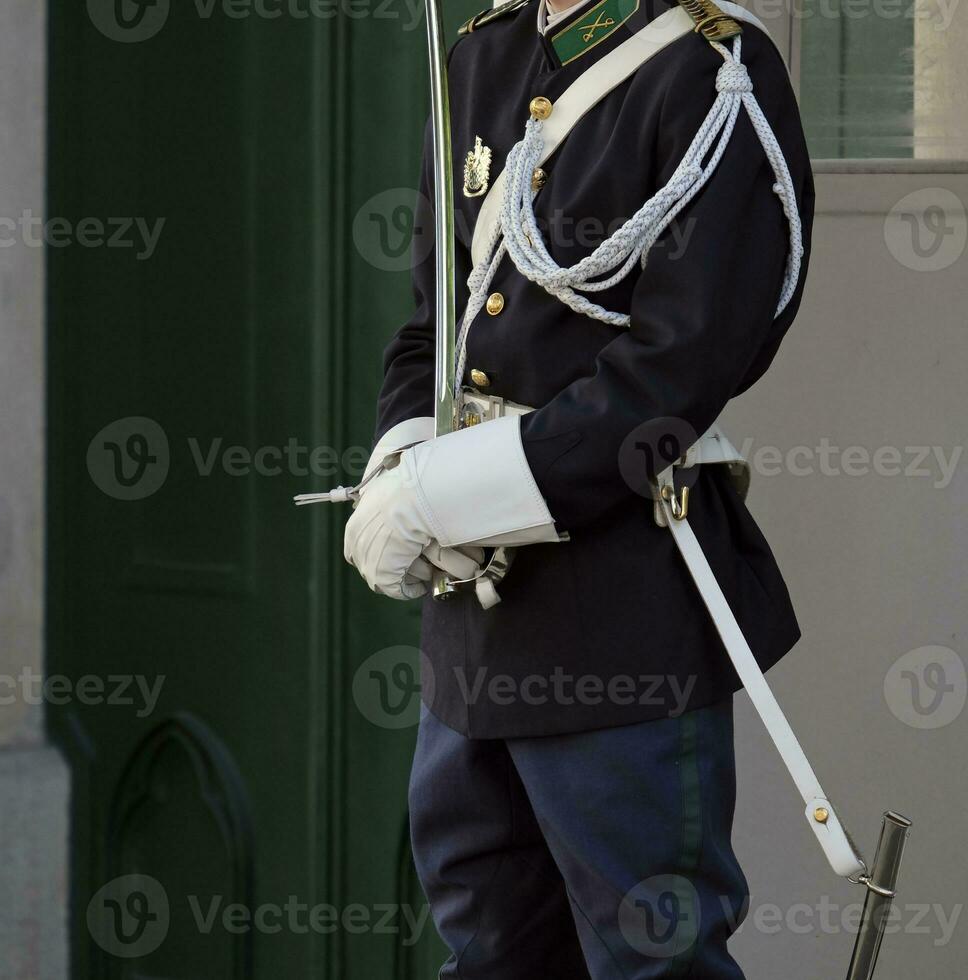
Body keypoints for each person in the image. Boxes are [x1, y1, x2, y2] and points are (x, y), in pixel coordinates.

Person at [342, 0, 816, 974]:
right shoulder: (484, 56)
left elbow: (674, 371)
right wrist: (404, 460)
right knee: (489, 951)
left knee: (651, 960)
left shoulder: (711, 72)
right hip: (473, 625)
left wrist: (464, 492)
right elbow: (439, 326)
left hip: (619, 609)